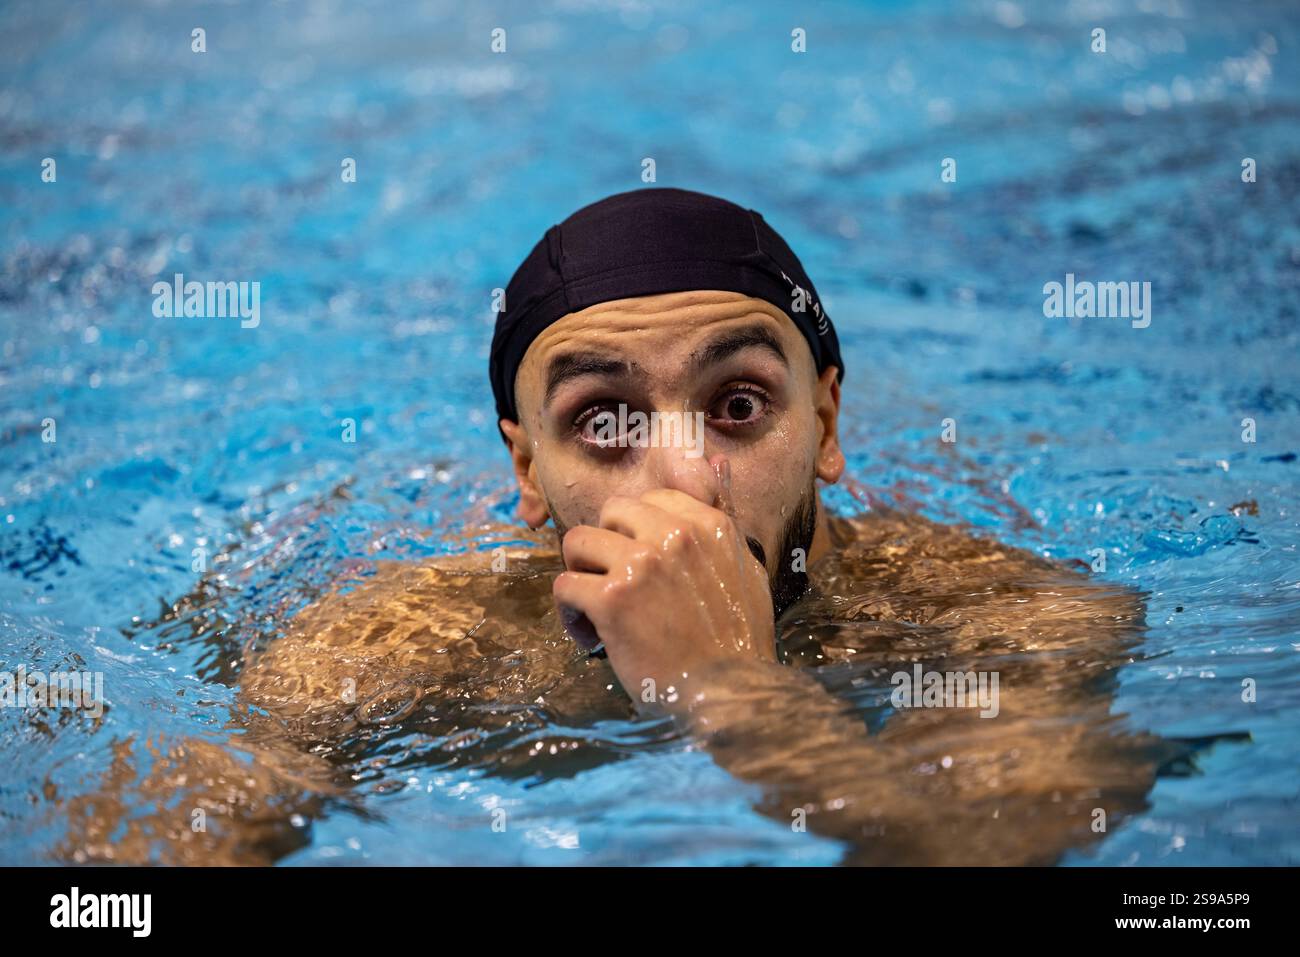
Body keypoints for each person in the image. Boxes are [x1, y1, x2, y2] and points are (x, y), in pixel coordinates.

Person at [65, 189, 1168, 865]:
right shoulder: (402, 647)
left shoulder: (995, 619)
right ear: (526, 471)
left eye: (738, 406)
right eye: (602, 422)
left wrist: (733, 695)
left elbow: (1001, 849)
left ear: (826, 422)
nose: (682, 473)